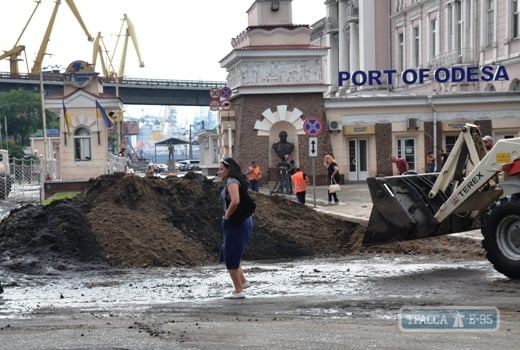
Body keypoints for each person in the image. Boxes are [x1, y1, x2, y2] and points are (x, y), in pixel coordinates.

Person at [219, 157, 253, 299]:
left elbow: (236, 201)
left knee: (230, 255)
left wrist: (227, 216)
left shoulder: (231, 181)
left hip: (235, 222)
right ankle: (243, 282)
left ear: (229, 169)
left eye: (221, 169)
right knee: (230, 251)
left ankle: (238, 290)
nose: (219, 172)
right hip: (243, 220)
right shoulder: (236, 180)